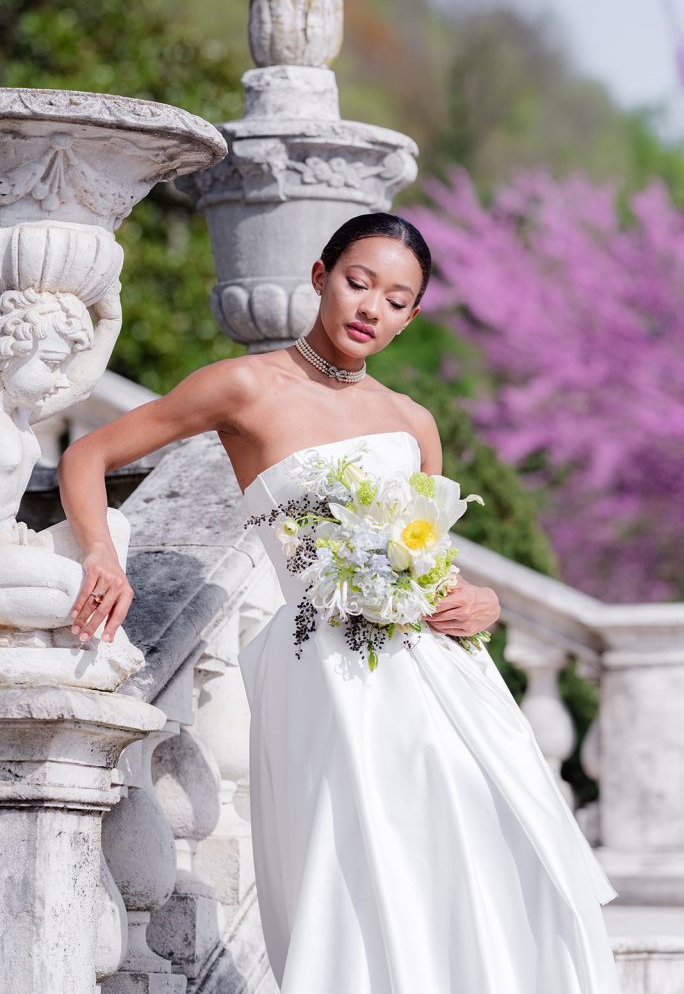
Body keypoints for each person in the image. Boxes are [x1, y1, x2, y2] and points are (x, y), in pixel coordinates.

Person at [57, 212, 622, 992]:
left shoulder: (413, 422)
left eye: (396, 300)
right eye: (359, 283)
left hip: (440, 675)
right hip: (325, 671)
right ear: (321, 276)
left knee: (478, 845)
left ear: (411, 317)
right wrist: (100, 552)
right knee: (355, 862)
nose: (371, 308)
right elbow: (88, 452)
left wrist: (480, 602)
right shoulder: (245, 386)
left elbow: (432, 564)